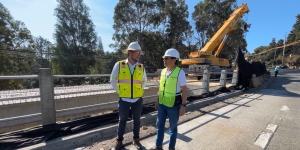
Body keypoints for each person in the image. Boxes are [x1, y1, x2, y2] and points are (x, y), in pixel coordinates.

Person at [110, 42, 147, 150]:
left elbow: (144, 82)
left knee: (137, 120)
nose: (139, 55)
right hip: (124, 99)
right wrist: (120, 92)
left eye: (139, 53)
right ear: (130, 53)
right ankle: (119, 141)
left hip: (137, 99)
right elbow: (112, 80)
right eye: (137, 52)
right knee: (122, 120)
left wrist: (138, 91)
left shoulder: (141, 67)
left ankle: (136, 139)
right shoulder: (119, 65)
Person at [152, 48, 187, 150]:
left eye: (166, 58)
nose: (164, 60)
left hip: (173, 105)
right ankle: (158, 146)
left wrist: (183, 106)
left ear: (174, 60)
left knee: (173, 127)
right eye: (164, 58)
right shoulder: (163, 72)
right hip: (162, 103)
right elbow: (161, 88)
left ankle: (171, 147)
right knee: (159, 125)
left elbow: (184, 90)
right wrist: (157, 100)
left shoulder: (180, 73)